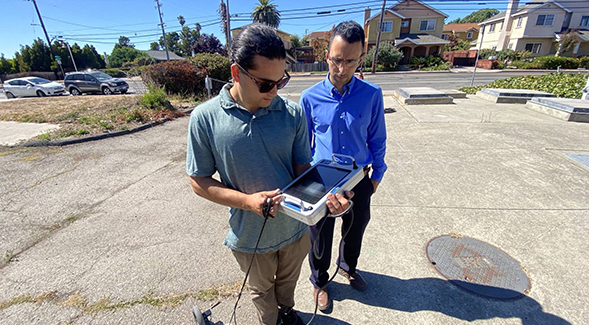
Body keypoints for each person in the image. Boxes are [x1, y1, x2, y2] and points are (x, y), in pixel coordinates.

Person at [186, 23, 351, 325]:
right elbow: (199, 182)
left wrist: (329, 196)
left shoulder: (291, 113)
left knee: (287, 286)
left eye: (281, 82)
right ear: (237, 73)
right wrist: (248, 202)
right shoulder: (205, 119)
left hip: (296, 231)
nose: (274, 92)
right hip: (249, 236)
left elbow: (304, 171)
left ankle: (287, 313)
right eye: (265, 84)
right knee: (262, 292)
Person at [299, 21, 387, 311]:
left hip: (359, 177)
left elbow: (377, 139)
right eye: (337, 59)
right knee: (319, 236)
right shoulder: (310, 98)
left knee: (356, 228)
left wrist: (376, 177)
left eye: (350, 61)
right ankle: (319, 280)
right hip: (322, 178)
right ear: (327, 55)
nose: (342, 68)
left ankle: (349, 267)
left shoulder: (371, 94)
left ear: (361, 58)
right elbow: (302, 144)